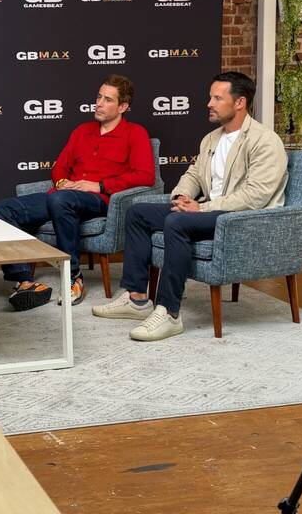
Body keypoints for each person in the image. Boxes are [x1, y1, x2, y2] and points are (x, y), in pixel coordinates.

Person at [94, 71, 288, 341]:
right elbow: (194, 174)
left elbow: (256, 196)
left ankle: (169, 313)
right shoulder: (211, 139)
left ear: (240, 102)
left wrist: (202, 208)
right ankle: (136, 299)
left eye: (217, 98)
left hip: (241, 218)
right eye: (210, 97)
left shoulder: (264, 140)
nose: (209, 103)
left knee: (177, 222)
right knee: (138, 212)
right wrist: (182, 197)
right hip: (210, 211)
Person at [0, 75, 154, 309]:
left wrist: (99, 186)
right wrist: (63, 182)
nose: (99, 103)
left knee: (61, 200)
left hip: (99, 200)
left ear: (123, 107)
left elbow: (145, 176)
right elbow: (59, 167)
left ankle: (73, 277)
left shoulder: (135, 133)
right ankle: (24, 281)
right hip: (62, 196)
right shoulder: (82, 131)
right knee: (2, 209)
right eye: (99, 97)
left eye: (108, 100)